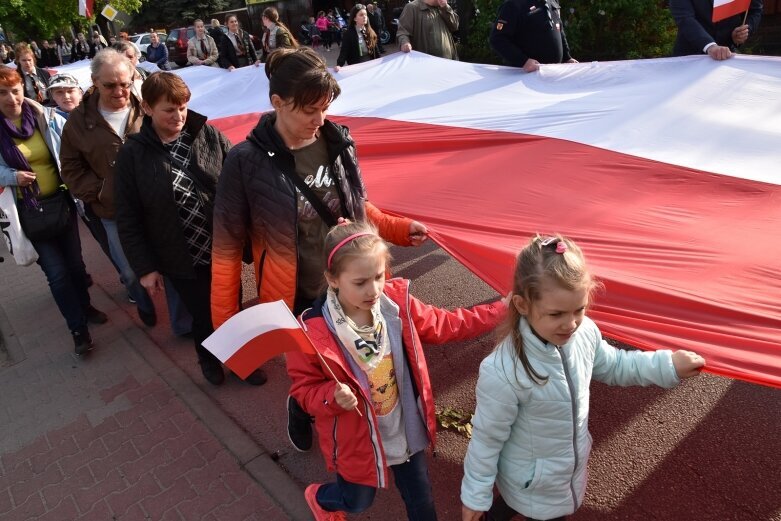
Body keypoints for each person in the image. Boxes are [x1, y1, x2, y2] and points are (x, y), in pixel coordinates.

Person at [211, 47, 428, 425]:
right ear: (277, 102)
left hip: (350, 284)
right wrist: (229, 329)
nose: (319, 119)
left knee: (355, 361)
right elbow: (226, 247)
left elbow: (357, 209)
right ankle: (300, 407)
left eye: (324, 107)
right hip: (295, 293)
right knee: (312, 370)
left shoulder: (337, 141)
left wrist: (396, 228)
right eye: (309, 110)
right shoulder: (244, 161)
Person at [460, 235, 706, 521]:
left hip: (557, 476)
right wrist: (476, 495)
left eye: (579, 309)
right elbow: (487, 438)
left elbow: (616, 366)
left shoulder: (583, 333)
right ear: (523, 305)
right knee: (527, 505)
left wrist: (668, 365)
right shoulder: (504, 370)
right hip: (535, 480)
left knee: (518, 503)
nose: (571, 323)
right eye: (556, 314)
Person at [288, 221, 505, 520]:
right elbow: (303, 390)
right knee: (357, 501)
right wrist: (330, 396)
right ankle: (320, 498)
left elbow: (449, 323)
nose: (374, 289)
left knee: (422, 503)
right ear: (333, 279)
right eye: (360, 282)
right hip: (357, 441)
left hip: (404, 429)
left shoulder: (396, 306)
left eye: (378, 276)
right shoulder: (312, 331)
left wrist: (502, 310)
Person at [113, 72, 252, 385]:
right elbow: (128, 216)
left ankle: (245, 360)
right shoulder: (133, 155)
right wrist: (145, 268)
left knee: (233, 306)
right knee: (203, 314)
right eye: (169, 110)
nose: (178, 116)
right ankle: (209, 357)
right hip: (180, 254)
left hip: (222, 245)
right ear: (147, 108)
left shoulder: (208, 135)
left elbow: (241, 179)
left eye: (183, 107)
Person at [0, 66, 107, 355]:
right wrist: (11, 177)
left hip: (61, 204)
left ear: (24, 89)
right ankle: (78, 329)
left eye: (15, 90)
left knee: (75, 266)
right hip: (28, 212)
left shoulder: (42, 117)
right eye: (2, 93)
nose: (11, 98)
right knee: (57, 274)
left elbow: (70, 147)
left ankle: (85, 307)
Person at [60, 49, 157, 328]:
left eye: (125, 84)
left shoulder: (145, 108)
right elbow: (70, 168)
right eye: (110, 85)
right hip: (112, 211)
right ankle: (142, 300)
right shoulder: (78, 122)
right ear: (94, 82)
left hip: (155, 205)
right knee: (128, 270)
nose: (119, 91)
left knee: (171, 262)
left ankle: (183, 319)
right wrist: (101, 191)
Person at [489, 0, 577, 72]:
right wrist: (523, 61)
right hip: (525, 78)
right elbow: (497, 38)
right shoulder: (513, 5)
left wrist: (567, 57)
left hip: (554, 75)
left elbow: (559, 29)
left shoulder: (553, 1)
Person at [669, 0, 762, 60]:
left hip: (727, 54)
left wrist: (744, 30)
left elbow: (755, 10)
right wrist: (711, 46)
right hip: (689, 56)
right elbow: (685, 19)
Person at [335, 4, 380, 71]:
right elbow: (344, 52)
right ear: (355, 18)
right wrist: (339, 65)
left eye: (365, 14)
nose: (365, 17)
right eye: (361, 15)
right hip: (356, 68)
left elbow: (376, 51)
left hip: (371, 66)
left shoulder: (370, 31)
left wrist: (380, 62)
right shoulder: (348, 34)